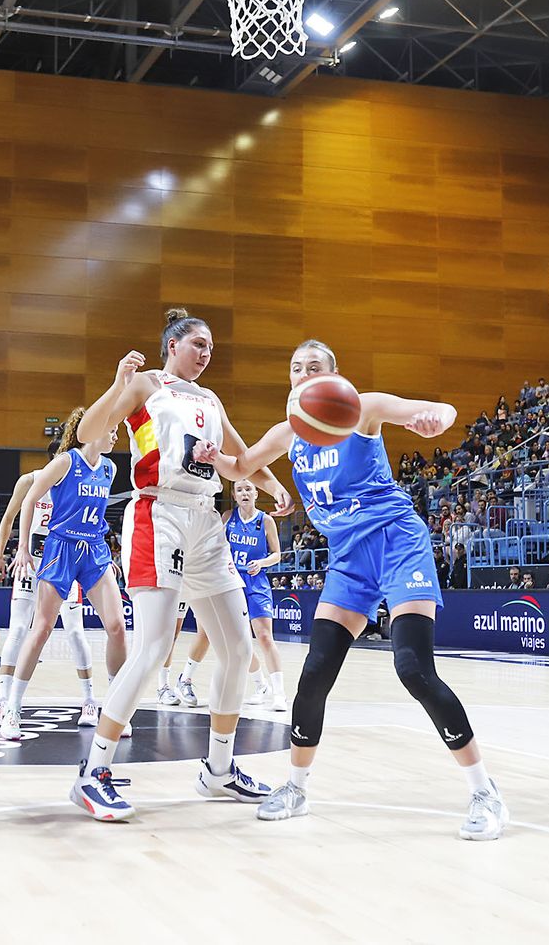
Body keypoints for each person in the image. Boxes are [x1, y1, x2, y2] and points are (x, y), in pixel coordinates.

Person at [198, 340, 507, 840]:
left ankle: (484, 791)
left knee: (412, 668)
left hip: (397, 544)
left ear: (334, 376)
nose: (303, 375)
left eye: (314, 367)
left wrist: (435, 419)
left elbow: (433, 408)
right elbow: (241, 466)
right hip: (347, 560)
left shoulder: (361, 409)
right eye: (296, 369)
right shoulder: (288, 433)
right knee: (315, 674)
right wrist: (216, 458)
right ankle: (296, 787)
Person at [67, 308, 292, 823]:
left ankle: (218, 770)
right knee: (152, 647)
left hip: (205, 520)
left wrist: (273, 484)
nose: (206, 352)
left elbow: (239, 462)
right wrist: (116, 383)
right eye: (197, 343)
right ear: (173, 345)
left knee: (238, 647)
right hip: (158, 513)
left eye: (210, 345)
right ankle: (92, 773)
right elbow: (89, 432)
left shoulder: (210, 400)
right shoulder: (146, 385)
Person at [0, 407, 129, 739]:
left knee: (116, 626)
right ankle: (12, 707)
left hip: (94, 550)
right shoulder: (65, 462)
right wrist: (25, 547)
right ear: (92, 429)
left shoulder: (110, 468)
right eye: (111, 428)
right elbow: (29, 500)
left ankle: (114, 708)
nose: (116, 434)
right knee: (41, 629)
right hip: (61, 548)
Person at [0, 433, 107, 723]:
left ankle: (89, 700)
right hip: (30, 561)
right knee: (18, 630)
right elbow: (7, 519)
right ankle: (3, 699)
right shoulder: (30, 481)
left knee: (76, 632)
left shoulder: (80, 482)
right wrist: (0, 555)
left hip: (64, 562)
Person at [175, 478, 289, 711]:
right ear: (234, 495)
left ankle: (279, 694)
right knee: (236, 639)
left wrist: (263, 561)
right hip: (229, 582)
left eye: (248, 489)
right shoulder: (227, 518)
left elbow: (277, 554)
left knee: (265, 637)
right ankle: (260, 685)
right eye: (239, 490)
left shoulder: (265, 521)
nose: (244, 493)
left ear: (256, 493)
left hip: (256, 582)